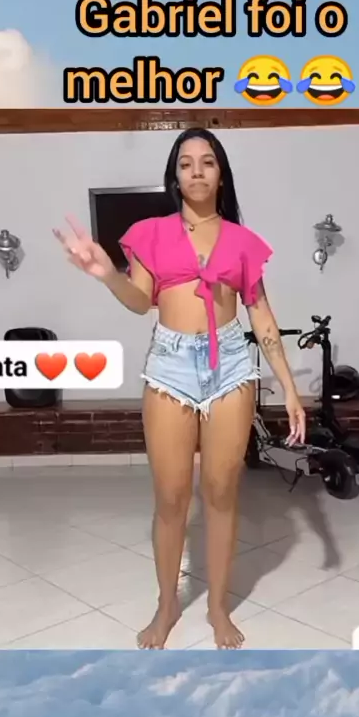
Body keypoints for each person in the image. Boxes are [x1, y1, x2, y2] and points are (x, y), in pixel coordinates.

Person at [53, 127, 306, 650]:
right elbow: (139, 300)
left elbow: (262, 317)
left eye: (207, 162)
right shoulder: (150, 233)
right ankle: (168, 603)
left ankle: (217, 608)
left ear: (221, 174)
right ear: (175, 176)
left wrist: (288, 387)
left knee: (221, 492)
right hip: (169, 366)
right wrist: (105, 272)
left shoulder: (242, 241)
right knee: (170, 498)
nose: (196, 171)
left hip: (230, 365)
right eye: (186, 163)